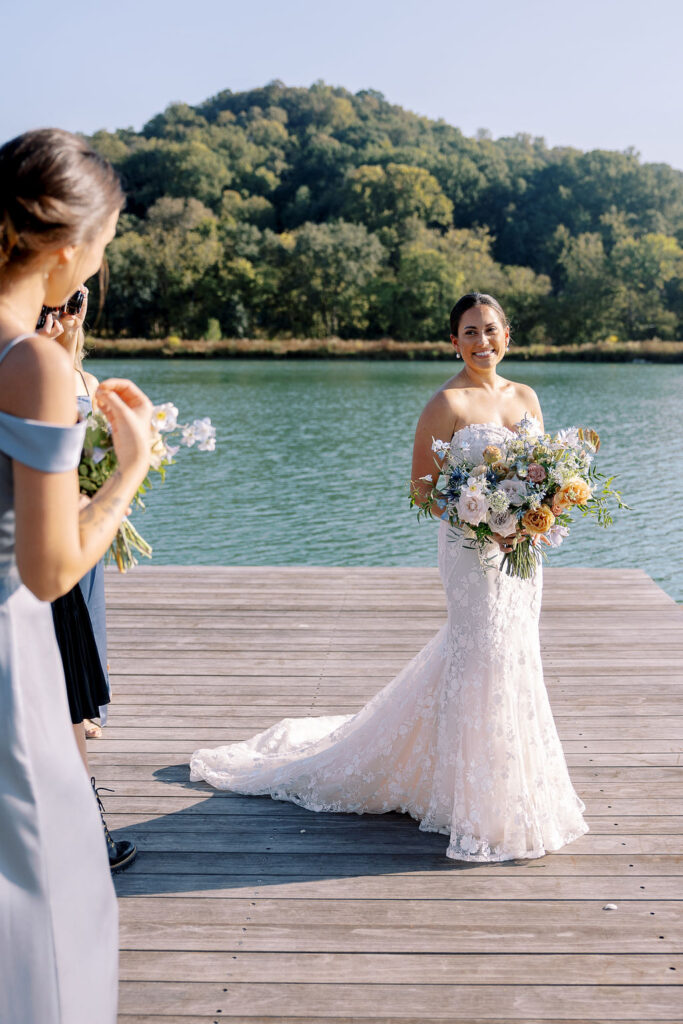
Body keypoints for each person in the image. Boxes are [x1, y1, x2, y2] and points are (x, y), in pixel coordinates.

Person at [191, 292, 589, 862]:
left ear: (508, 336)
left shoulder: (526, 398)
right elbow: (422, 491)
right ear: (453, 341)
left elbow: (540, 473)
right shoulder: (445, 404)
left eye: (491, 330)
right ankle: (478, 801)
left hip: (522, 553)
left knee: (515, 652)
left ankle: (505, 784)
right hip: (470, 551)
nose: (482, 342)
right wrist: (481, 518)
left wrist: (529, 517)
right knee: (481, 653)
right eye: (470, 333)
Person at [0, 128, 152, 1024]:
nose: (95, 269)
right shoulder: (30, 364)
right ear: (66, 250)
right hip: (10, 675)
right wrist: (131, 464)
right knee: (51, 906)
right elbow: (50, 570)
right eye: (101, 249)